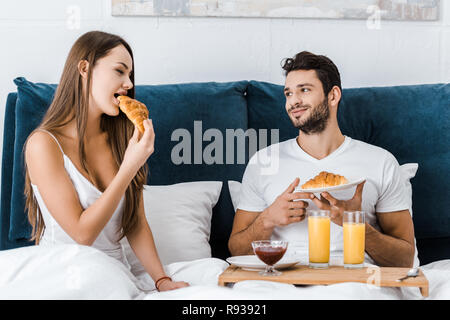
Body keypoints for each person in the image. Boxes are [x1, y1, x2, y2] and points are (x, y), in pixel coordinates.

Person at [24, 31, 189, 291]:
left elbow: (134, 221)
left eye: (130, 75)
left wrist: (162, 280)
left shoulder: (122, 138)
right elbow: (82, 234)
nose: (128, 83)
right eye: (119, 71)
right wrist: (129, 167)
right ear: (84, 68)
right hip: (67, 272)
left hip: (116, 274)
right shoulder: (43, 145)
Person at [228, 51, 416, 267]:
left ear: (333, 95)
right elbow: (236, 250)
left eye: (304, 90)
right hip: (280, 281)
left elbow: (404, 259)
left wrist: (355, 224)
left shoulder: (380, 162)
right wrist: (267, 219)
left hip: (353, 283)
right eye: (288, 94)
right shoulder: (264, 161)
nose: (293, 101)